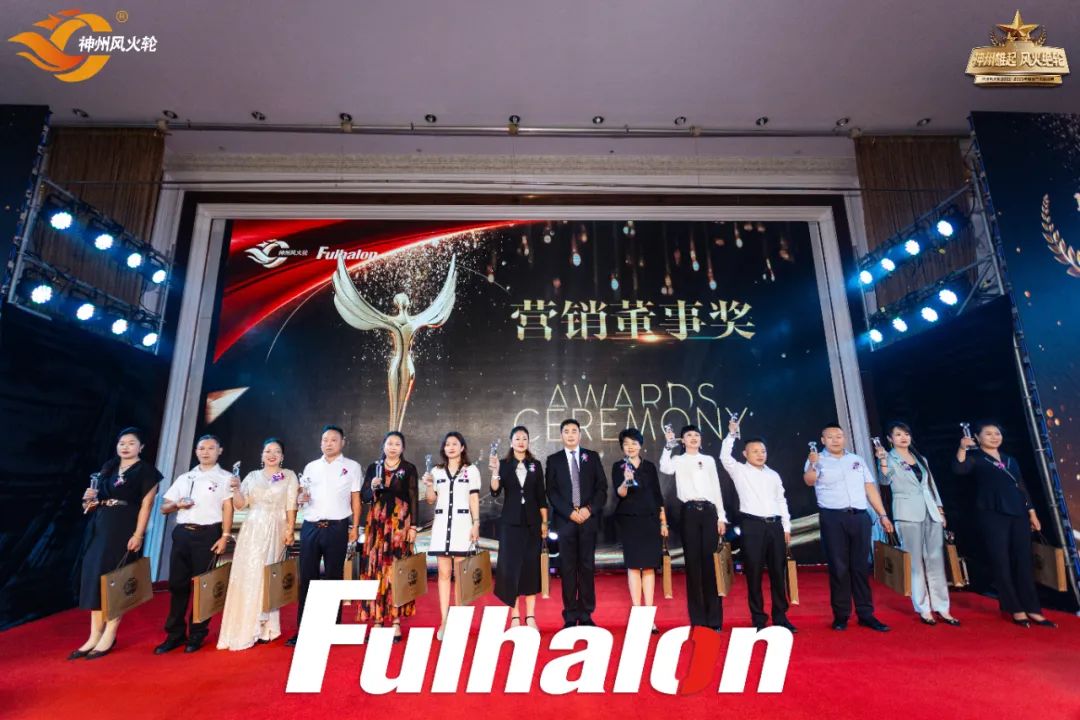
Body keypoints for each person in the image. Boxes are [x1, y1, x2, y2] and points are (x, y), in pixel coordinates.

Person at [953, 421, 1055, 628]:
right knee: (1001, 561)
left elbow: (1021, 486)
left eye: (997, 433)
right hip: (992, 514)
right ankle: (1014, 608)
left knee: (1024, 561)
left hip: (1018, 512)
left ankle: (1033, 608)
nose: (994, 437)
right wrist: (962, 448)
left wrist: (1032, 513)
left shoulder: (1010, 460)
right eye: (988, 434)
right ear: (977, 437)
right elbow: (959, 469)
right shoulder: (975, 458)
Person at [71, 427, 162, 660]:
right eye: (122, 443)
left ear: (141, 447)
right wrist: (88, 500)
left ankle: (109, 634)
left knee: (115, 579)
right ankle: (94, 635)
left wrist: (138, 534)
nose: (125, 447)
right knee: (95, 578)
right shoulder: (109, 468)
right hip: (100, 525)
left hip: (123, 527)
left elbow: (147, 505)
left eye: (131, 443)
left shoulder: (147, 471)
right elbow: (90, 505)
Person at [803, 423, 894, 632]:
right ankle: (841, 615)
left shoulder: (856, 460)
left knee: (861, 566)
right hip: (833, 518)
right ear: (823, 440)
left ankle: (866, 614)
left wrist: (882, 514)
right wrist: (813, 465)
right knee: (839, 567)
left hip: (859, 517)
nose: (836, 440)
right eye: (830, 437)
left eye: (839, 436)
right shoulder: (816, 459)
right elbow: (809, 481)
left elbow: (869, 487)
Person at [156, 435, 235, 654]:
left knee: (204, 586)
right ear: (196, 451)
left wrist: (225, 536)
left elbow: (228, 508)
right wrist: (177, 504)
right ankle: (175, 634)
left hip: (208, 535)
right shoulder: (185, 477)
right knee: (177, 585)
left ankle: (197, 634)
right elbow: (164, 507)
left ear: (219, 451)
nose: (205, 452)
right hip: (182, 533)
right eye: (201, 448)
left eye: (211, 448)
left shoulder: (225, 477)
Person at [217, 438, 298, 650]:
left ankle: (267, 627)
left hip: (276, 528)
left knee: (268, 574)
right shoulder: (252, 476)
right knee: (248, 574)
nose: (272, 455)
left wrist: (290, 530)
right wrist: (236, 489)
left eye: (276, 451)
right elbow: (240, 505)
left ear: (282, 456)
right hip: (252, 529)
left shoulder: (289, 475)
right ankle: (245, 626)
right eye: (268, 451)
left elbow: (291, 505)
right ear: (262, 455)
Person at [875, 422, 959, 626]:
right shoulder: (889, 458)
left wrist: (940, 509)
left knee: (936, 560)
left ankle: (943, 607)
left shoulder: (921, 458)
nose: (903, 437)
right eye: (898, 434)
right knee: (915, 563)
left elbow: (931, 485)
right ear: (890, 439)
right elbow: (884, 480)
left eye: (906, 434)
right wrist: (882, 460)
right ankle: (923, 608)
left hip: (930, 511)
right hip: (907, 513)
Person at [286, 425, 361, 647]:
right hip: (310, 527)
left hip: (337, 528)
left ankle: (331, 628)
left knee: (333, 577)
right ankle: (304, 629)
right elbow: (302, 494)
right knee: (307, 577)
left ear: (343, 442)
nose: (328, 443)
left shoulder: (352, 467)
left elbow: (355, 499)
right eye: (325, 440)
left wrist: (355, 527)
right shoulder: (311, 467)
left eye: (333, 440)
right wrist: (301, 498)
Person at [719, 419, 796, 632]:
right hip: (752, 526)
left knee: (778, 573)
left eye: (763, 451)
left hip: (775, 526)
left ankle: (781, 616)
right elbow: (724, 457)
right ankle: (758, 619)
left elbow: (781, 500)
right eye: (755, 451)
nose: (760, 454)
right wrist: (731, 435)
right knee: (753, 573)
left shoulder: (773, 475)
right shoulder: (739, 471)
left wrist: (786, 527)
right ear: (745, 454)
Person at [660, 424, 727, 631]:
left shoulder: (708, 460)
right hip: (689, 512)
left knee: (711, 566)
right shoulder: (678, 460)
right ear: (682, 440)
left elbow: (716, 488)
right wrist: (668, 446)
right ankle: (698, 620)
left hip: (709, 512)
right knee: (693, 566)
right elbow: (665, 468)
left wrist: (721, 516)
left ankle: (714, 620)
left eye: (697, 434)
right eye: (689, 435)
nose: (693, 438)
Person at [357, 431, 420, 642]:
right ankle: (377, 619)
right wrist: (372, 486)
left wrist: (413, 527)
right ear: (383, 446)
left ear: (403, 448)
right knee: (375, 569)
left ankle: (395, 621)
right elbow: (365, 497)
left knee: (396, 570)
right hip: (377, 525)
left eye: (397, 444)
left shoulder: (408, 468)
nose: (393, 447)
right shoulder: (373, 468)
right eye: (389, 443)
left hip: (399, 525)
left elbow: (413, 497)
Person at [545, 418, 608, 628]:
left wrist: (589, 509)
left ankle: (587, 614)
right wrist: (570, 512)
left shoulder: (591, 457)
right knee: (568, 568)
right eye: (566, 431)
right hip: (566, 521)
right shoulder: (553, 460)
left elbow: (602, 488)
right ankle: (571, 615)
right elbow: (552, 492)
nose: (570, 435)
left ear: (580, 434)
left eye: (574, 431)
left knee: (587, 567)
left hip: (588, 520)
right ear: (561, 435)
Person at [424, 431, 481, 640]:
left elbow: (473, 499)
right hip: (441, 527)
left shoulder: (471, 470)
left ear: (462, 447)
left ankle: (458, 622)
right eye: (447, 444)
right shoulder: (436, 471)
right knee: (443, 574)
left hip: (462, 526)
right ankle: (444, 621)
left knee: (460, 575)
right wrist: (429, 485)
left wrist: (476, 523)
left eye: (455, 444)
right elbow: (431, 499)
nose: (451, 447)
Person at [489, 426, 547, 629]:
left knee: (531, 568)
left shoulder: (535, 465)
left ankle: (530, 616)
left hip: (532, 523)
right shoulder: (504, 464)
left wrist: (544, 522)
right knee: (511, 569)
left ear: (528, 442)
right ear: (511, 442)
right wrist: (495, 472)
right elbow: (495, 491)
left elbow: (541, 496)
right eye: (517, 438)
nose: (521, 442)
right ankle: (515, 616)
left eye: (524, 438)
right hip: (510, 524)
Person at [612, 427, 667, 633]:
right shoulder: (618, 466)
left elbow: (657, 495)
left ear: (640, 445)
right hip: (630, 521)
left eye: (634, 443)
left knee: (650, 567)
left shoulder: (649, 467)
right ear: (622, 447)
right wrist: (626, 481)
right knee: (634, 567)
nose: (630, 447)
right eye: (626, 444)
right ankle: (637, 615)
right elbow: (620, 493)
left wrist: (663, 522)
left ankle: (649, 617)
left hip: (650, 520)